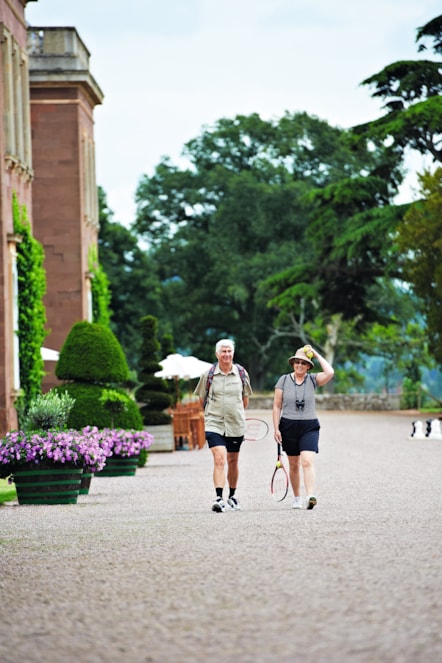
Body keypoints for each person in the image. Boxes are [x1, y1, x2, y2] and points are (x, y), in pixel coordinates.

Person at [194, 339, 253, 512]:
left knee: (233, 461)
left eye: (229, 351)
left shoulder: (241, 374)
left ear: (233, 353)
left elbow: (245, 400)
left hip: (235, 424)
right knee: (219, 458)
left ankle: (232, 496)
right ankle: (219, 498)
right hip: (214, 424)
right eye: (223, 351)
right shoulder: (208, 375)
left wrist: (235, 413)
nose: (226, 354)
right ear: (217, 354)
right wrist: (212, 414)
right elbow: (201, 400)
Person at [273, 344, 334, 510]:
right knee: (293, 464)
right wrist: (276, 428)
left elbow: (330, 372)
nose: (299, 365)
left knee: (307, 461)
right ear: (293, 363)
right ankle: (297, 498)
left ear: (308, 366)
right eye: (297, 362)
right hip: (288, 425)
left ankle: (310, 496)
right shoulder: (283, 380)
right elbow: (277, 406)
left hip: (309, 426)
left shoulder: (313, 379)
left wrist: (316, 354)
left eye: (303, 363)